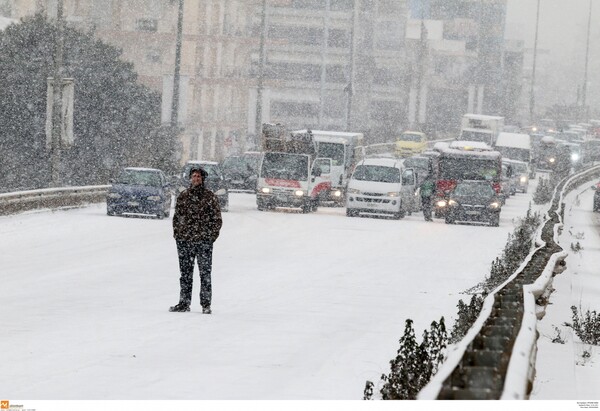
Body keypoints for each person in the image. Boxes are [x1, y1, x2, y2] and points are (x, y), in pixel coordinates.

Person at [170, 167, 223, 314]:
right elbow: (177, 218)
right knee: (185, 274)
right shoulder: (184, 196)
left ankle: (206, 304)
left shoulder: (210, 197)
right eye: (194, 176)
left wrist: (210, 237)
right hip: (185, 241)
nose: (196, 179)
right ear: (190, 178)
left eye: (198, 177)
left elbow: (217, 220)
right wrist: (178, 235)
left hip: (203, 242)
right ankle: (184, 303)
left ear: (203, 179)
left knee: (205, 273)